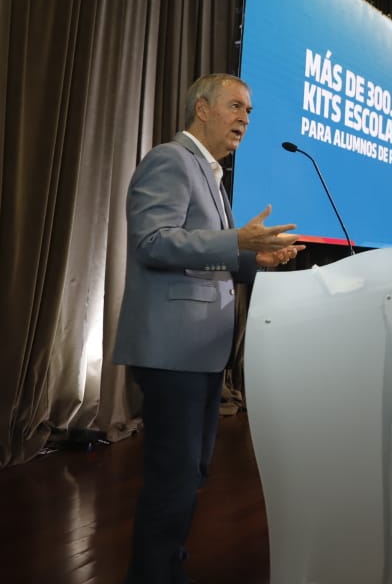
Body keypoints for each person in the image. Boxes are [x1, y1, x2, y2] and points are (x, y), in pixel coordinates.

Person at [114, 73, 304, 584]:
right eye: (236, 106)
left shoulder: (211, 175)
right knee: (173, 477)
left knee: (191, 472)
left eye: (249, 111)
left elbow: (208, 254)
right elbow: (152, 242)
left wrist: (257, 259)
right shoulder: (171, 160)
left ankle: (169, 567)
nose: (245, 118)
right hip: (172, 348)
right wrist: (236, 242)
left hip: (201, 350)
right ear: (202, 109)